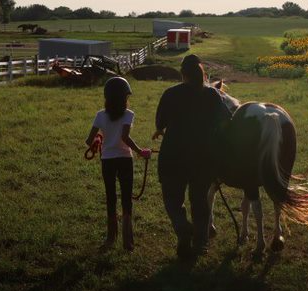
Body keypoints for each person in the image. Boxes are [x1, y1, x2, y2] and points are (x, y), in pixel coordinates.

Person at [152, 54, 232, 259]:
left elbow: (160, 123)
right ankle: (201, 244)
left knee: (172, 200)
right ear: (202, 74)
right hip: (203, 158)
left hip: (173, 156)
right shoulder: (214, 95)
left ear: (183, 74)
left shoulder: (170, 94)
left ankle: (182, 228)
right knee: (199, 201)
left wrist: (162, 129)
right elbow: (226, 121)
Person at [84, 76, 148, 251]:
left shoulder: (100, 115)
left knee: (110, 197)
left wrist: (98, 139)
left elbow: (89, 140)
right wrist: (140, 151)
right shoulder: (129, 114)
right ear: (124, 98)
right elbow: (125, 138)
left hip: (108, 161)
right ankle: (128, 240)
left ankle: (110, 238)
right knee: (127, 198)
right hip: (125, 160)